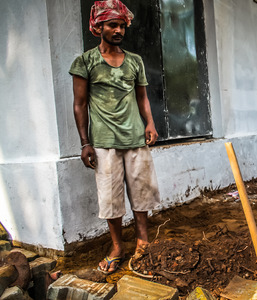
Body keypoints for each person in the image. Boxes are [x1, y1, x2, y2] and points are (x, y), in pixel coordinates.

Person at [70, 0, 160, 275]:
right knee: (111, 198)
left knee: (141, 192)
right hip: (104, 143)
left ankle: (143, 241)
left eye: (121, 25)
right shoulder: (85, 62)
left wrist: (150, 124)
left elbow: (142, 97)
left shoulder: (135, 61)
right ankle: (118, 247)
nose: (118, 29)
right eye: (112, 24)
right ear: (98, 27)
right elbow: (80, 104)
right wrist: (85, 142)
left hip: (135, 139)